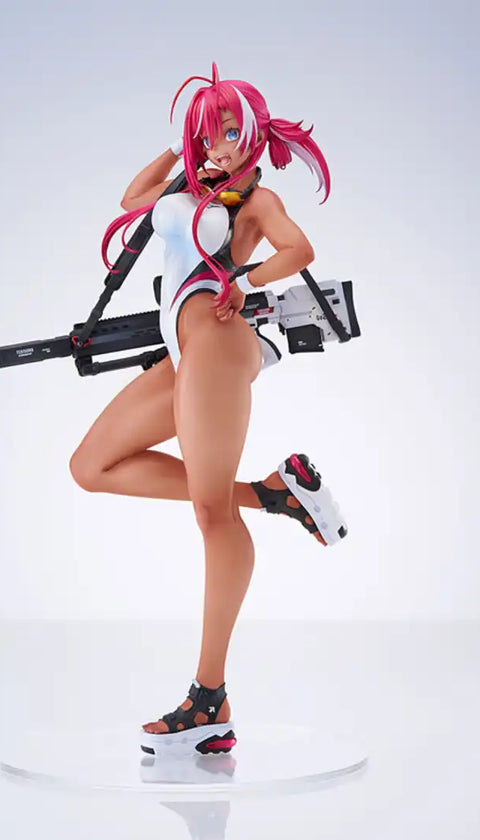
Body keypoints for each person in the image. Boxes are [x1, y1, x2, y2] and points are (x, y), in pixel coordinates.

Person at [69, 63, 347, 755]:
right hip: (182, 350)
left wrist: (244, 279)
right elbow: (132, 198)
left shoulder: (256, 198)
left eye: (226, 131)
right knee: (91, 465)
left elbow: (299, 248)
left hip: (219, 342)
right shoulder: (189, 188)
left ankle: (209, 699)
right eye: (206, 133)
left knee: (209, 514)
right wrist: (177, 146)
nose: (216, 145)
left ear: (251, 131)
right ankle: (276, 493)